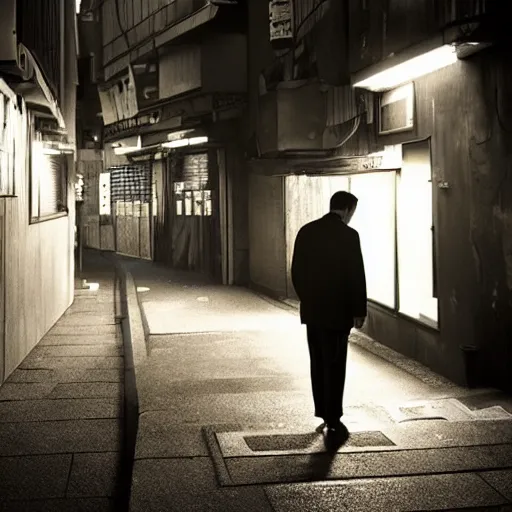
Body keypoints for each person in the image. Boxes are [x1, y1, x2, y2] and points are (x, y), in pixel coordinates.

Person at [291, 190, 367, 443]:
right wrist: (359, 311)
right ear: (347, 209)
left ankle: (322, 410)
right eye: (352, 212)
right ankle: (333, 416)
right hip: (339, 313)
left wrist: (308, 299)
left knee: (318, 361)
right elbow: (356, 275)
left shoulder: (307, 231)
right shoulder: (349, 235)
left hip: (313, 312)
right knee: (336, 363)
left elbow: (297, 272)